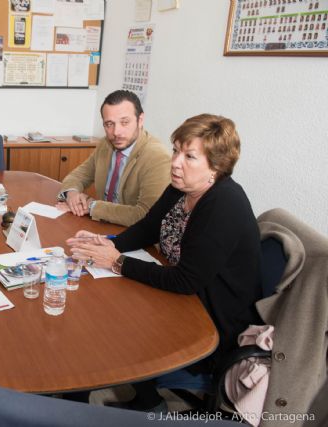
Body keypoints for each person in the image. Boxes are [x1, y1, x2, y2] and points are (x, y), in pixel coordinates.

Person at [67, 114, 262, 411]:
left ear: (216, 166)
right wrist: (109, 243)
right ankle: (138, 398)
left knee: (103, 330)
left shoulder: (224, 205)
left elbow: (185, 280)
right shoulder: (181, 187)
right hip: (180, 298)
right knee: (97, 314)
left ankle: (133, 403)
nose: (175, 162)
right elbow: (148, 227)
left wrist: (117, 262)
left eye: (190, 156)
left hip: (210, 319)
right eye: (175, 151)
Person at [56, 90, 170, 227]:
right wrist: (72, 194)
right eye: (109, 124)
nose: (116, 132)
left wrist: (92, 206)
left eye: (124, 122)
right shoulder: (106, 144)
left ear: (140, 120)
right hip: (102, 225)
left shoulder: (157, 157)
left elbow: (145, 215)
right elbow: (78, 176)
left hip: (133, 235)